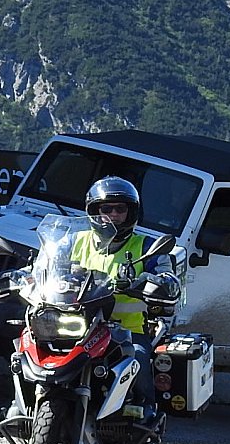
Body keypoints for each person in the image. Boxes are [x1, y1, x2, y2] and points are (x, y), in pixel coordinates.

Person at [70, 176, 177, 428]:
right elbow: (47, 264)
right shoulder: (74, 241)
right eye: (106, 209)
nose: (113, 215)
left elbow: (168, 278)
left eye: (120, 209)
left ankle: (144, 415)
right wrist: (29, 276)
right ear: (94, 211)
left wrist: (149, 282)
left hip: (127, 330)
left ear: (131, 213)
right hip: (78, 326)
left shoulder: (147, 246)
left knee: (137, 358)